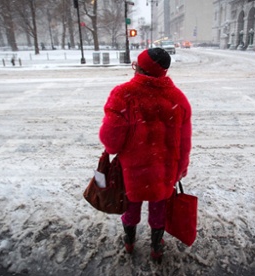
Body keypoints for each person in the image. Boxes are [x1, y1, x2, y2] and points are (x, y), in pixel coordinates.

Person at [99, 48, 192, 263]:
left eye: (136, 66)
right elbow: (185, 141)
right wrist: (181, 168)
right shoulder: (178, 98)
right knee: (159, 207)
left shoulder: (123, 95)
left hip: (133, 170)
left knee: (131, 205)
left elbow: (111, 141)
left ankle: (129, 241)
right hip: (165, 170)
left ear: (141, 68)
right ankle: (156, 247)